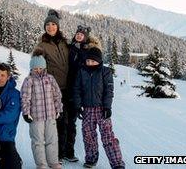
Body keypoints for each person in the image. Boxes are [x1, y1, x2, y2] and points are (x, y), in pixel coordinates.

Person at [73, 47, 125, 169]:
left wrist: (107, 107)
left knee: (108, 137)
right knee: (88, 136)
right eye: (88, 61)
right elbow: (77, 90)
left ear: (99, 61)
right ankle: (91, 159)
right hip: (87, 110)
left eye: (93, 61)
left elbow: (109, 91)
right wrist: (78, 106)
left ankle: (117, 163)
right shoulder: (81, 71)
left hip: (101, 109)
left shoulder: (105, 71)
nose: (90, 63)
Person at [35, 9, 69, 163]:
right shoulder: (41, 45)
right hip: (53, 91)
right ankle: (57, 155)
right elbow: (36, 67)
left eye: (53, 24)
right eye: (47, 24)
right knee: (56, 123)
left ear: (58, 26)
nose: (50, 27)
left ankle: (67, 151)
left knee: (68, 121)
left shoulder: (64, 43)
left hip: (68, 88)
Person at [21, 47, 63, 169]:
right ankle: (41, 165)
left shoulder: (50, 79)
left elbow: (57, 95)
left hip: (50, 115)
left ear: (44, 67)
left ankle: (53, 162)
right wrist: (26, 112)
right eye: (35, 68)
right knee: (37, 141)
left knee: (52, 139)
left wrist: (58, 109)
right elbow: (25, 97)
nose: (38, 70)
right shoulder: (29, 80)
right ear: (31, 68)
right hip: (36, 116)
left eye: (40, 68)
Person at [66, 25, 102, 162]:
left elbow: (94, 67)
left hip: (81, 89)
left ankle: (69, 152)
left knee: (72, 122)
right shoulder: (70, 48)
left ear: (86, 37)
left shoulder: (89, 51)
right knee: (64, 121)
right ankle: (62, 152)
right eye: (78, 34)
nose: (79, 36)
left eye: (82, 34)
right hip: (67, 86)